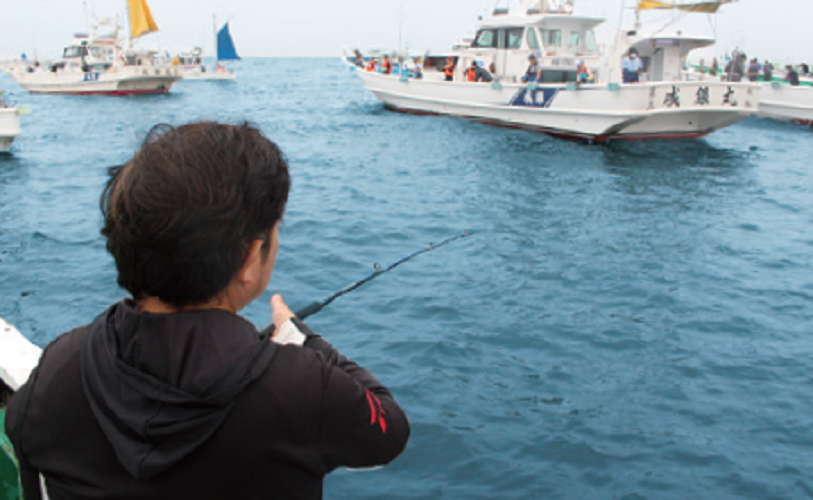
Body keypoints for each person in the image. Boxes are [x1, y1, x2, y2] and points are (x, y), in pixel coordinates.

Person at [4, 122, 410, 500]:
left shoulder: (61, 364)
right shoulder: (303, 387)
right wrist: (299, 336)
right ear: (250, 258)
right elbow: (388, 430)